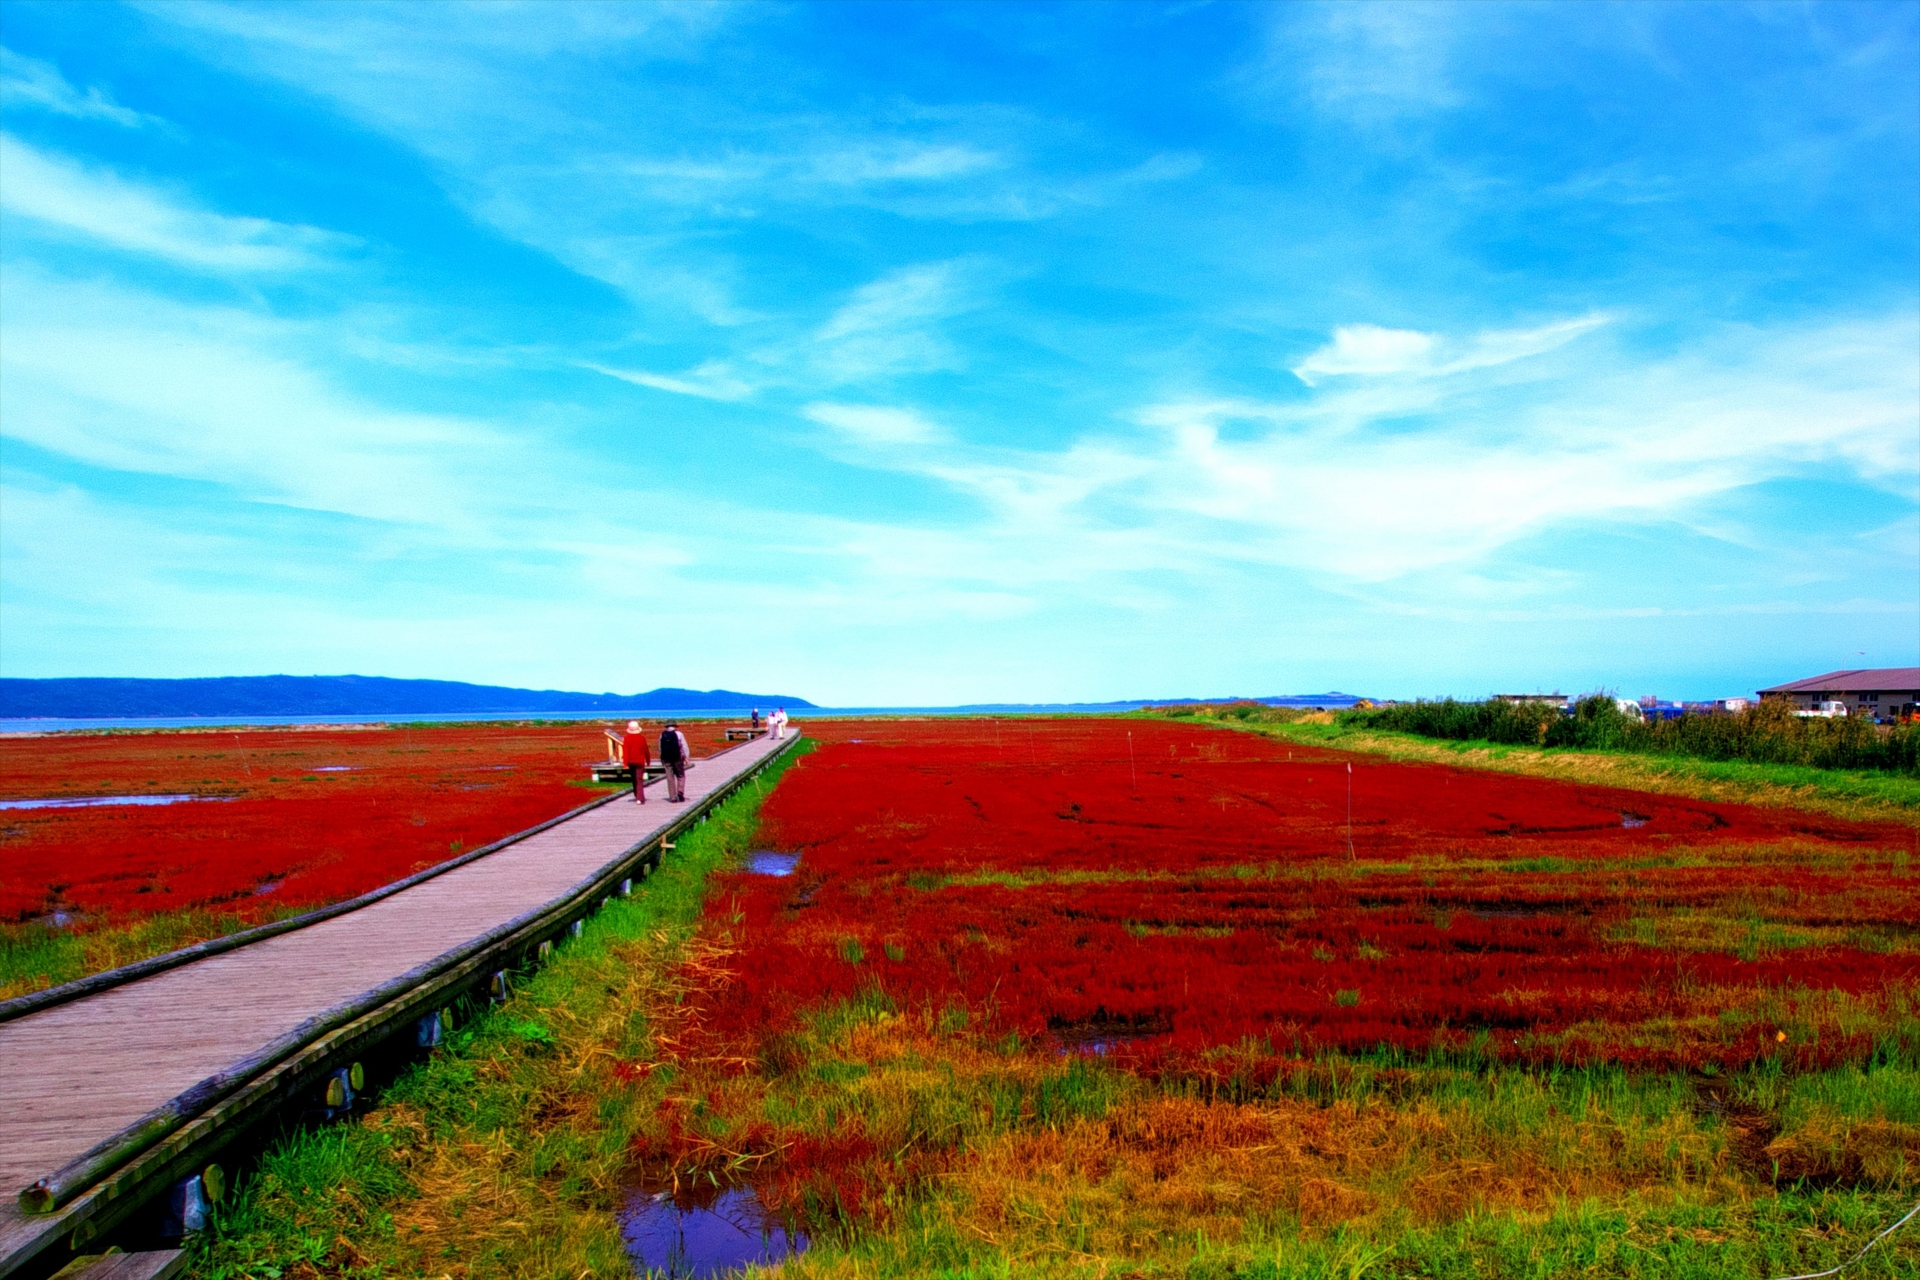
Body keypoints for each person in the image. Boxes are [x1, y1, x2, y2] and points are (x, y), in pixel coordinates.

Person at [659, 720, 692, 802]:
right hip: (677, 758)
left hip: (666, 758)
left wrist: (662, 758)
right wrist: (686, 757)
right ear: (675, 726)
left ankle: (672, 797)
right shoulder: (679, 734)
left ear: (666, 727)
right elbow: (684, 746)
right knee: (681, 775)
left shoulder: (662, 735)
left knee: (670, 777)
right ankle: (680, 792)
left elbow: (660, 748)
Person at [620, 720, 650, 803]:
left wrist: (625, 763)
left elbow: (625, 751)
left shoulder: (627, 738)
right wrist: (648, 761)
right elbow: (646, 750)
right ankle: (639, 798)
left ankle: (637, 795)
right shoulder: (642, 738)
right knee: (639, 779)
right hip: (640, 761)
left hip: (631, 761)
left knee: (634, 779)